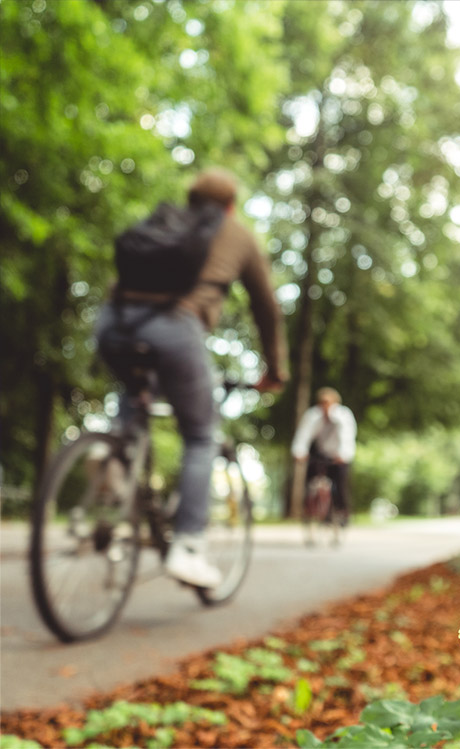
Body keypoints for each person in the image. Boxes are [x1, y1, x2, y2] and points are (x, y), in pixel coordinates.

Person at [96, 167, 288, 587]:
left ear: (191, 198)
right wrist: (275, 369)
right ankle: (188, 547)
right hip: (174, 328)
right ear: (230, 205)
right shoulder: (237, 233)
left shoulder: (165, 219)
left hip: (114, 322)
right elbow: (266, 307)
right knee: (201, 435)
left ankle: (113, 456)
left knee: (136, 394)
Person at [291, 387, 357, 523]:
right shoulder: (313, 415)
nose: (325, 406)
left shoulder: (343, 415)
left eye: (328, 402)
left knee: (340, 482)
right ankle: (309, 507)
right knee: (311, 476)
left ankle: (342, 511)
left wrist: (343, 455)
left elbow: (347, 436)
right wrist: (299, 452)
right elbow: (303, 435)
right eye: (322, 402)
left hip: (339, 454)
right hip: (321, 452)